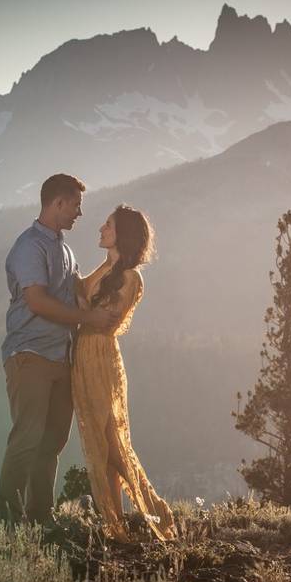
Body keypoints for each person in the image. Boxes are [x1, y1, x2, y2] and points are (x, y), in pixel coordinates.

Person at [0, 173, 122, 524]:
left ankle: (40, 516)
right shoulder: (29, 247)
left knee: (51, 442)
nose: (79, 214)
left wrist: (111, 264)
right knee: (27, 437)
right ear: (58, 203)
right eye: (76, 206)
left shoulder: (63, 248)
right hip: (30, 354)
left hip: (60, 357)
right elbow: (36, 301)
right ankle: (4, 517)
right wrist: (88, 318)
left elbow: (79, 287)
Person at [71, 204, 177, 541]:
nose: (101, 228)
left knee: (113, 447)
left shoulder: (130, 277)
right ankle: (115, 527)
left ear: (123, 235)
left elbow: (107, 320)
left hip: (101, 358)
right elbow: (79, 295)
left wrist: (80, 304)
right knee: (102, 447)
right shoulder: (105, 269)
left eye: (108, 225)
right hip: (84, 357)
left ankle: (158, 514)